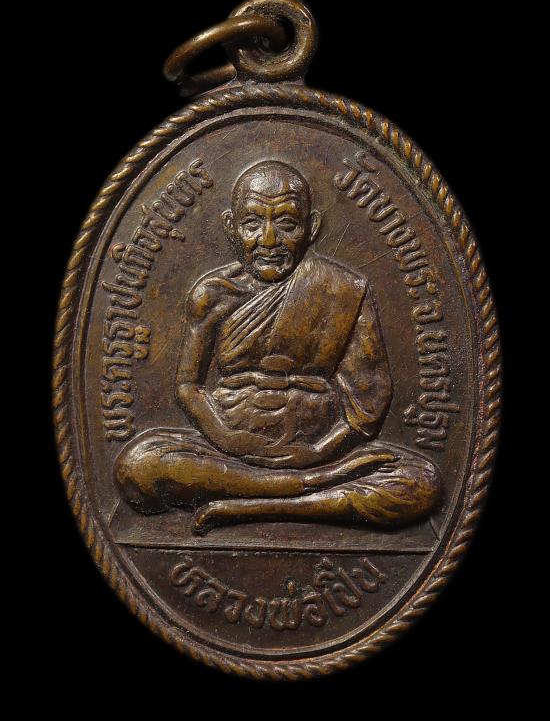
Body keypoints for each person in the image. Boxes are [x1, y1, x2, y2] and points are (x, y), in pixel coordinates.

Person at [115, 161, 440, 534]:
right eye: (252, 224)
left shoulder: (343, 290)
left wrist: (318, 452)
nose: (268, 240)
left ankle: (254, 503)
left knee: (420, 482)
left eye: (286, 223)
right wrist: (227, 438)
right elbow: (188, 385)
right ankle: (298, 491)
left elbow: (368, 404)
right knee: (137, 467)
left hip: (322, 453)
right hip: (227, 453)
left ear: (311, 228)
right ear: (231, 227)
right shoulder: (213, 294)